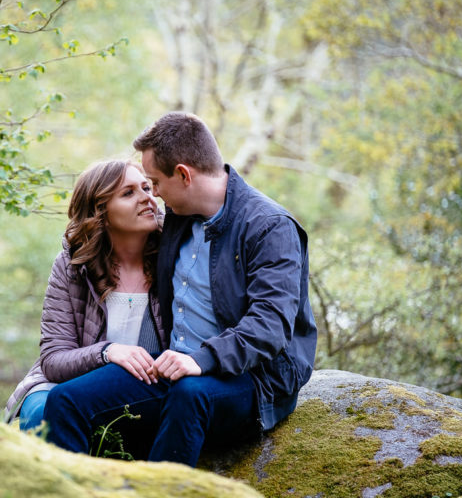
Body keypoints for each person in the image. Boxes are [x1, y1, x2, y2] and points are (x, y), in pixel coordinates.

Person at [43, 112, 317, 466]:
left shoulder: (269, 227)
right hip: (173, 371)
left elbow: (270, 327)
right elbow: (111, 236)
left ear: (184, 175)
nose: (152, 195)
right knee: (65, 401)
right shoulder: (176, 219)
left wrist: (199, 360)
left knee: (189, 394)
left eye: (154, 183)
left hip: (253, 380)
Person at [4, 160, 166, 433]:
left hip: (141, 389)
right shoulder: (72, 265)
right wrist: (108, 352)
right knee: (44, 411)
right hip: (64, 384)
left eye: (147, 187)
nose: (147, 199)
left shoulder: (176, 255)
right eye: (128, 193)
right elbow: (54, 360)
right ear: (99, 212)